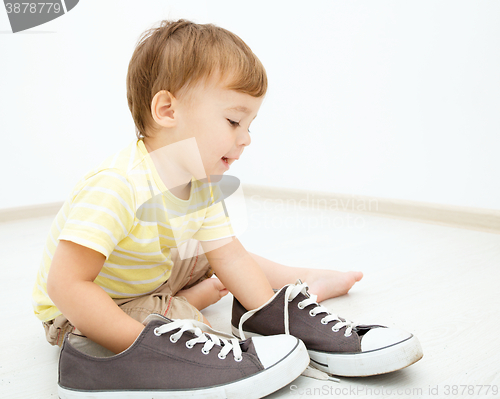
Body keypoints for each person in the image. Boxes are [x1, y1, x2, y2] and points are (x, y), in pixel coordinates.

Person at [32, 19, 422, 398]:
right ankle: (191, 300)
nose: (247, 138)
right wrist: (148, 345)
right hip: (82, 306)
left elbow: (230, 254)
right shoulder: (116, 185)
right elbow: (67, 286)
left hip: (151, 269)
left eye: (250, 124)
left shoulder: (200, 185)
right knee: (185, 321)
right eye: (235, 121)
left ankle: (296, 283)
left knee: (215, 255)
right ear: (167, 110)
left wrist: (268, 309)